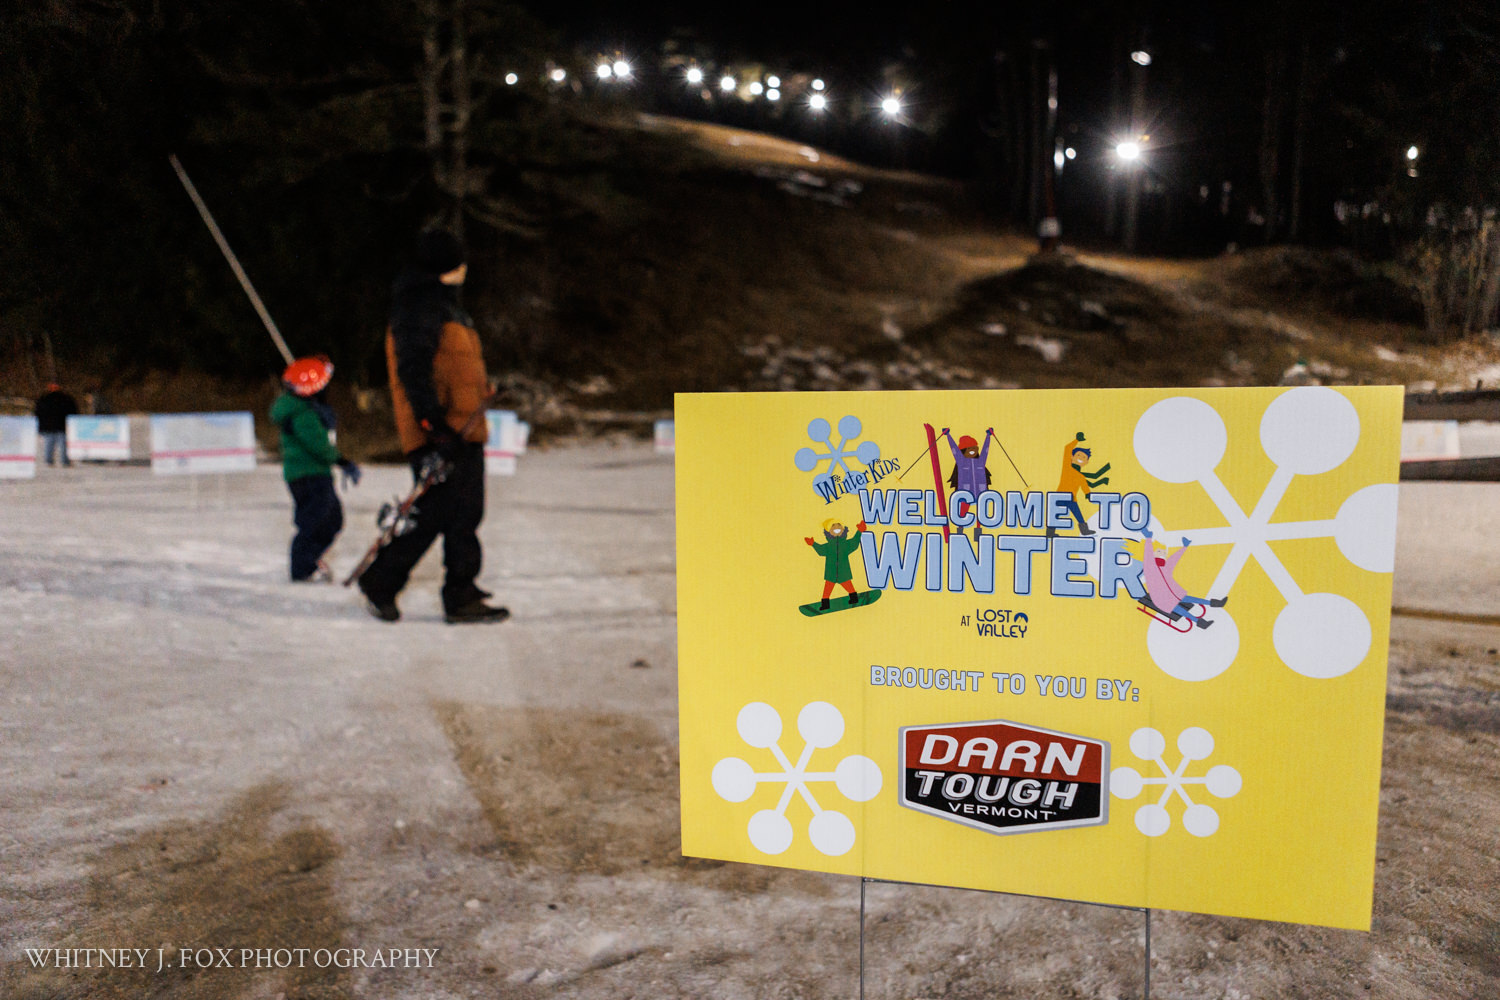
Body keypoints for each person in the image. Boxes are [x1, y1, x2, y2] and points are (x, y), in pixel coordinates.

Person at [357, 228, 509, 624]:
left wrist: (479, 390)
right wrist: (433, 425)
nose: (464, 270)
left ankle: (461, 592)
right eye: (459, 263)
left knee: (466, 515)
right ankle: (382, 580)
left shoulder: (447, 307)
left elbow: (453, 366)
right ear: (445, 267)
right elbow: (413, 371)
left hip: (464, 429)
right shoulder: (418, 306)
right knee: (435, 514)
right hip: (440, 433)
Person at [270, 356, 361, 582]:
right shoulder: (302, 414)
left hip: (311, 475)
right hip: (309, 475)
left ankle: (310, 560)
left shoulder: (305, 409)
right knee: (316, 520)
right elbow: (318, 444)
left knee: (332, 520)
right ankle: (303, 567)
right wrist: (343, 461)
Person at [1139, 528, 1227, 629]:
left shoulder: (1165, 567)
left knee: (1186, 598)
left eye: (1164, 552)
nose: (1163, 553)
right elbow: (1148, 555)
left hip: (1172, 593)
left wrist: (1184, 547)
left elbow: (1174, 559)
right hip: (1160, 598)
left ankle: (1214, 603)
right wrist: (1148, 539)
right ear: (1154, 554)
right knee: (1176, 606)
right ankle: (1200, 622)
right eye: (1159, 551)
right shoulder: (1150, 567)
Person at [1047, 432, 1111, 538]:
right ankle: (1050, 533)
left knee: (1078, 514)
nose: (1081, 457)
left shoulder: (1081, 476)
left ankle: (1084, 530)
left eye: (1084, 457)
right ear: (1072, 457)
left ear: (1086, 462)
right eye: (1078, 455)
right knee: (1055, 515)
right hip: (1060, 496)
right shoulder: (1067, 467)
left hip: (1072, 498)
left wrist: (1088, 494)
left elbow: (1084, 486)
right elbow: (1067, 448)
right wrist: (1076, 440)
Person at [805, 519, 867, 610]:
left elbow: (854, 543)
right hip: (831, 573)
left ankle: (854, 598)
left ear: (843, 530)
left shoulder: (845, 544)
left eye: (839, 527)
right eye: (833, 528)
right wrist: (813, 544)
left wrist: (859, 531)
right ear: (829, 532)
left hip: (843, 572)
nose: (837, 529)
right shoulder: (828, 546)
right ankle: (825, 604)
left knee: (849, 586)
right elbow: (821, 551)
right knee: (827, 590)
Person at [34, 383, 79, 466]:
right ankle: (64, 461)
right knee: (63, 445)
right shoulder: (66, 398)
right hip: (62, 426)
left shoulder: (44, 399)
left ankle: (49, 461)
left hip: (48, 426)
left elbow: (37, 413)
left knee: (49, 444)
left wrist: (41, 424)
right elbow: (73, 412)